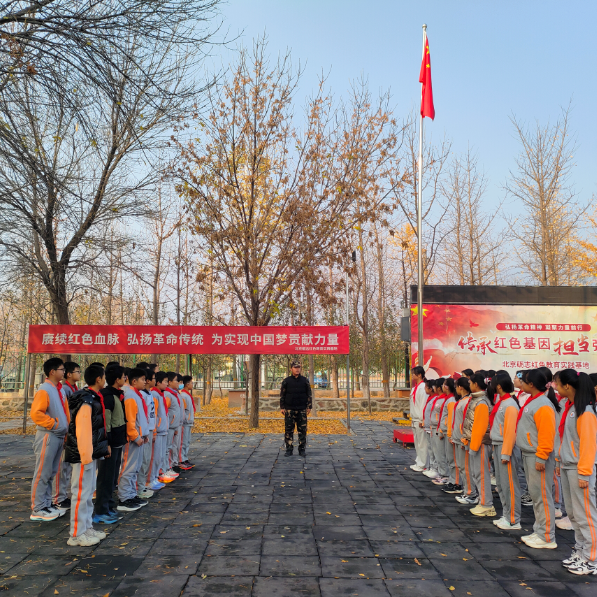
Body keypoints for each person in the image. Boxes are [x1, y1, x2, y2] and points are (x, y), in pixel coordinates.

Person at [554, 369, 597, 575]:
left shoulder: (585, 411)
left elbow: (589, 445)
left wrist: (584, 472)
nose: (555, 387)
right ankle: (581, 552)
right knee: (573, 514)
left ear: (567, 386)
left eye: (557, 384)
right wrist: (560, 461)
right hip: (568, 465)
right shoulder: (571, 407)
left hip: (580, 468)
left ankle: (592, 558)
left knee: (586, 515)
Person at [64, 364, 109, 546]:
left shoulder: (92, 398)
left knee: (88, 493)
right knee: (81, 494)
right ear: (98, 379)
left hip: (90, 453)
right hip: (84, 455)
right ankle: (76, 533)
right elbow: (83, 430)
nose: (105, 380)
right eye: (103, 377)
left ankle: (86, 527)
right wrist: (85, 455)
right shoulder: (86, 400)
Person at [516, 369, 559, 549]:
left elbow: (547, 434)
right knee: (536, 495)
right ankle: (540, 530)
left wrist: (541, 456)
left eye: (524, 381)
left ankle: (547, 536)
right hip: (530, 453)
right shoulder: (534, 401)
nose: (521, 383)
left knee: (542, 496)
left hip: (537, 455)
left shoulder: (543, 404)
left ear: (531, 384)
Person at [30, 357, 69, 521]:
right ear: (52, 372)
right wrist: (54, 424)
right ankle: (38, 508)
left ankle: (46, 504)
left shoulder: (59, 389)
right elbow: (36, 413)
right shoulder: (45, 389)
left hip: (58, 435)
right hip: (48, 435)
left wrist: (64, 430)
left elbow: (65, 412)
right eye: (61, 369)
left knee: (51, 472)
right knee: (42, 472)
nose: (64, 372)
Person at [93, 364, 127, 524]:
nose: (125, 379)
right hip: (110, 444)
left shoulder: (117, 394)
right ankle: (100, 511)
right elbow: (105, 423)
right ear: (117, 379)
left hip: (118, 442)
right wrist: (106, 443)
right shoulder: (108, 397)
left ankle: (109, 506)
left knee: (112, 478)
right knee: (105, 478)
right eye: (123, 377)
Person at [489, 372, 521, 530]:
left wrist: (506, 453)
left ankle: (513, 519)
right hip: (498, 445)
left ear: (499, 386)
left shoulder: (510, 405)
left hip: (505, 447)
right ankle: (507, 514)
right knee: (501, 484)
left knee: (509, 485)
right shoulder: (502, 402)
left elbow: (510, 432)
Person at [463, 373, 495, 517]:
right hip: (475, 443)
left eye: (470, 382)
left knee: (481, 474)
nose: (469, 385)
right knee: (477, 473)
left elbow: (480, 428)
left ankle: (486, 504)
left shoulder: (481, 402)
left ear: (476, 384)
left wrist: (474, 446)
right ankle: (483, 502)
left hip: (479, 444)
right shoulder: (477, 400)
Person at [118, 368, 150, 511]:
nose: (145, 382)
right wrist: (135, 436)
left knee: (135, 468)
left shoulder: (137, 394)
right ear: (134, 381)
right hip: (133, 439)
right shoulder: (130, 395)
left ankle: (131, 494)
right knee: (128, 468)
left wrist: (144, 434)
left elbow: (140, 418)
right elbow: (130, 420)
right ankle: (124, 498)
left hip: (139, 437)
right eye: (143, 379)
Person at [52, 361, 80, 511]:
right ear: (69, 374)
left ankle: (63, 495)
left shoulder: (73, 388)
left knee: (67, 466)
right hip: (65, 430)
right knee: (61, 466)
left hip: (72, 430)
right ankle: (58, 497)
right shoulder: (65, 389)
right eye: (77, 371)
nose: (79, 374)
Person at [280, 361, 312, 457]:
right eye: (295, 367)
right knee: (289, 430)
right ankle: (289, 449)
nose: (297, 369)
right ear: (291, 369)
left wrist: (309, 406)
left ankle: (302, 450)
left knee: (302, 430)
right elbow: (282, 394)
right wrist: (282, 407)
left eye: (299, 367)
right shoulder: (286, 381)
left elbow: (309, 394)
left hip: (302, 409)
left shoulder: (305, 380)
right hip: (289, 409)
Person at [137, 369, 157, 498]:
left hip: (149, 430)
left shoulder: (149, 394)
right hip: (144, 431)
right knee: (143, 460)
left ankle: (143, 485)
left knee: (147, 459)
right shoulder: (142, 395)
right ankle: (139, 488)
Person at [152, 372, 174, 484]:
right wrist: (155, 430)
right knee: (156, 457)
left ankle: (158, 475)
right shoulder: (155, 395)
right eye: (165, 381)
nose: (167, 384)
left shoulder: (160, 394)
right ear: (158, 382)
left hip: (163, 429)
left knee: (161, 455)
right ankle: (155, 477)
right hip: (158, 430)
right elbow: (155, 414)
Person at [452, 377, 472, 501]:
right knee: (461, 466)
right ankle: (466, 491)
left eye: (456, 386)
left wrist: (464, 436)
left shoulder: (467, 402)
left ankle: (470, 493)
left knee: (466, 467)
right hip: (457, 437)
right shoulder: (461, 401)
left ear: (460, 387)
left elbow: (467, 422)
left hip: (462, 438)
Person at [439, 378, 459, 493]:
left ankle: (456, 482)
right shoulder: (449, 399)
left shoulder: (451, 400)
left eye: (443, 384)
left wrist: (449, 433)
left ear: (446, 387)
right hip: (447, 431)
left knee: (453, 459)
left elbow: (451, 418)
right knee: (450, 458)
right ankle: (453, 480)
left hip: (449, 432)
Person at [409, 366, 428, 472]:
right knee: (417, 442)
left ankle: (423, 463)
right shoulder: (415, 388)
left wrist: (422, 419)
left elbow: (423, 404)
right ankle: (419, 461)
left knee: (422, 443)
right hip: (414, 418)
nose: (412, 375)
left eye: (414, 373)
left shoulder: (423, 388)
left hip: (419, 419)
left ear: (419, 375)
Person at [430, 379, 449, 485]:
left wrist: (441, 429)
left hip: (441, 429)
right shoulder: (438, 398)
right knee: (437, 451)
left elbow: (444, 416)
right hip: (435, 427)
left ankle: (445, 475)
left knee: (441, 453)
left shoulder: (445, 400)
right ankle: (442, 473)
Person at [165, 372, 183, 475]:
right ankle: (167, 468)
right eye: (176, 380)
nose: (178, 383)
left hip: (174, 425)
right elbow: (165, 411)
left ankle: (170, 466)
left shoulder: (174, 394)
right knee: (167, 448)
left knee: (173, 446)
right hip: (169, 426)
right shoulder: (168, 395)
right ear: (170, 382)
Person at [421, 380, 439, 478]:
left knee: (434, 449)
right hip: (428, 426)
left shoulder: (435, 399)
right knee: (430, 449)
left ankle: (435, 468)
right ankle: (431, 467)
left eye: (426, 387)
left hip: (432, 427)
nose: (425, 389)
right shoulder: (430, 398)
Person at [179, 375, 195, 468]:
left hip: (189, 422)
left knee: (187, 441)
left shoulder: (187, 395)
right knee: (183, 442)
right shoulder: (183, 396)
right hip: (185, 423)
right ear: (187, 384)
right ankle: (182, 460)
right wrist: (186, 419)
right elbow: (184, 410)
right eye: (192, 383)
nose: (192, 385)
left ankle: (185, 458)